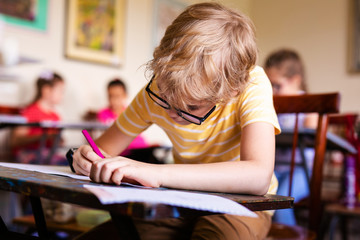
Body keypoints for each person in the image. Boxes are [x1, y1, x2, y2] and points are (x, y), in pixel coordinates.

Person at [73, 3, 280, 239]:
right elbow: (101, 151)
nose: (172, 112)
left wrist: (157, 173)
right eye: (165, 96)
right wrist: (84, 158)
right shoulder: (154, 92)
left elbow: (258, 175)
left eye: (191, 107)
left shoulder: (251, 83)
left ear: (232, 91)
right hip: (181, 198)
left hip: (245, 203)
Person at [264, 49, 317, 225]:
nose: (272, 91)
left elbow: (310, 137)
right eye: (269, 85)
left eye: (276, 85)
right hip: (277, 169)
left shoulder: (311, 108)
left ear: (295, 81)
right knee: (258, 196)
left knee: (280, 203)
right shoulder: (272, 108)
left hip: (303, 171)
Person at [10, 70, 66, 165]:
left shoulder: (55, 115)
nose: (62, 95)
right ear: (46, 90)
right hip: (28, 153)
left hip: (47, 153)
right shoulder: (29, 112)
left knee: (69, 162)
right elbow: (16, 141)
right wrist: (44, 136)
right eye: (60, 91)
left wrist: (58, 139)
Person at [97, 78, 148, 156]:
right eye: (110, 96)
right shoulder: (103, 114)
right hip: (121, 152)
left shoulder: (130, 112)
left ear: (125, 95)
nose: (113, 100)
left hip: (139, 149)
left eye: (117, 96)